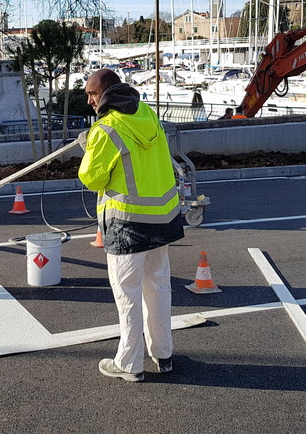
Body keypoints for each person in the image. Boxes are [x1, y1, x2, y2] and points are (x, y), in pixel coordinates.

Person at [78, 69, 185, 382]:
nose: (89, 100)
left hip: (127, 224)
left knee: (128, 295)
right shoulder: (146, 114)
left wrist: (89, 147)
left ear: (108, 91)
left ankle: (129, 364)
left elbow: (91, 178)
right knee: (158, 287)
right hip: (161, 218)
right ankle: (163, 353)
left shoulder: (106, 129)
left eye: (92, 94)